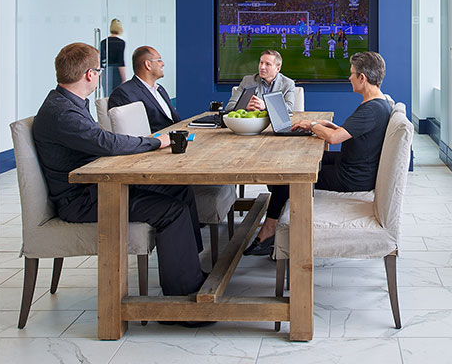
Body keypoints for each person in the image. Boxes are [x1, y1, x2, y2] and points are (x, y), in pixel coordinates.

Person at [32, 43, 211, 322]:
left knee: (179, 187)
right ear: (90, 75)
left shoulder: (67, 103)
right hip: (83, 200)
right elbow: (106, 142)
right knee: (172, 210)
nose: (99, 75)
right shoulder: (63, 113)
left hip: (95, 188)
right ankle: (179, 306)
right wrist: (155, 142)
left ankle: (190, 274)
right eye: (98, 71)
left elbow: (98, 144)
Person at [244, 51, 392, 257]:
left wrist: (313, 125)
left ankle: (268, 232)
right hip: (352, 164)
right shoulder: (379, 103)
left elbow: (334, 139)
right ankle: (275, 218)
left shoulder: (371, 108)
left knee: (288, 176)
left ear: (362, 78)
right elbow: (354, 134)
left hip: (351, 177)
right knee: (289, 168)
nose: (349, 78)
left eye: (351, 74)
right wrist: (330, 126)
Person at [107, 46, 181, 134]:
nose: (163, 63)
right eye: (159, 60)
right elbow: (131, 135)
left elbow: (174, 120)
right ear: (148, 65)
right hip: (156, 144)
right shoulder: (124, 94)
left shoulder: (159, 89)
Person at [225, 50, 297, 113]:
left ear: (277, 69)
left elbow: (289, 108)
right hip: (252, 125)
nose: (262, 67)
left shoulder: (288, 83)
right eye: (261, 62)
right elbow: (229, 106)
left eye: (267, 64)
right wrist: (244, 105)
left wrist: (266, 106)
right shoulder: (247, 81)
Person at [99, 19, 127, 95]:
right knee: (117, 95)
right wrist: (124, 78)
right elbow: (121, 61)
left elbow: (101, 61)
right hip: (117, 72)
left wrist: (99, 76)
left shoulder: (104, 42)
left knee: (107, 95)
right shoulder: (120, 42)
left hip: (106, 71)